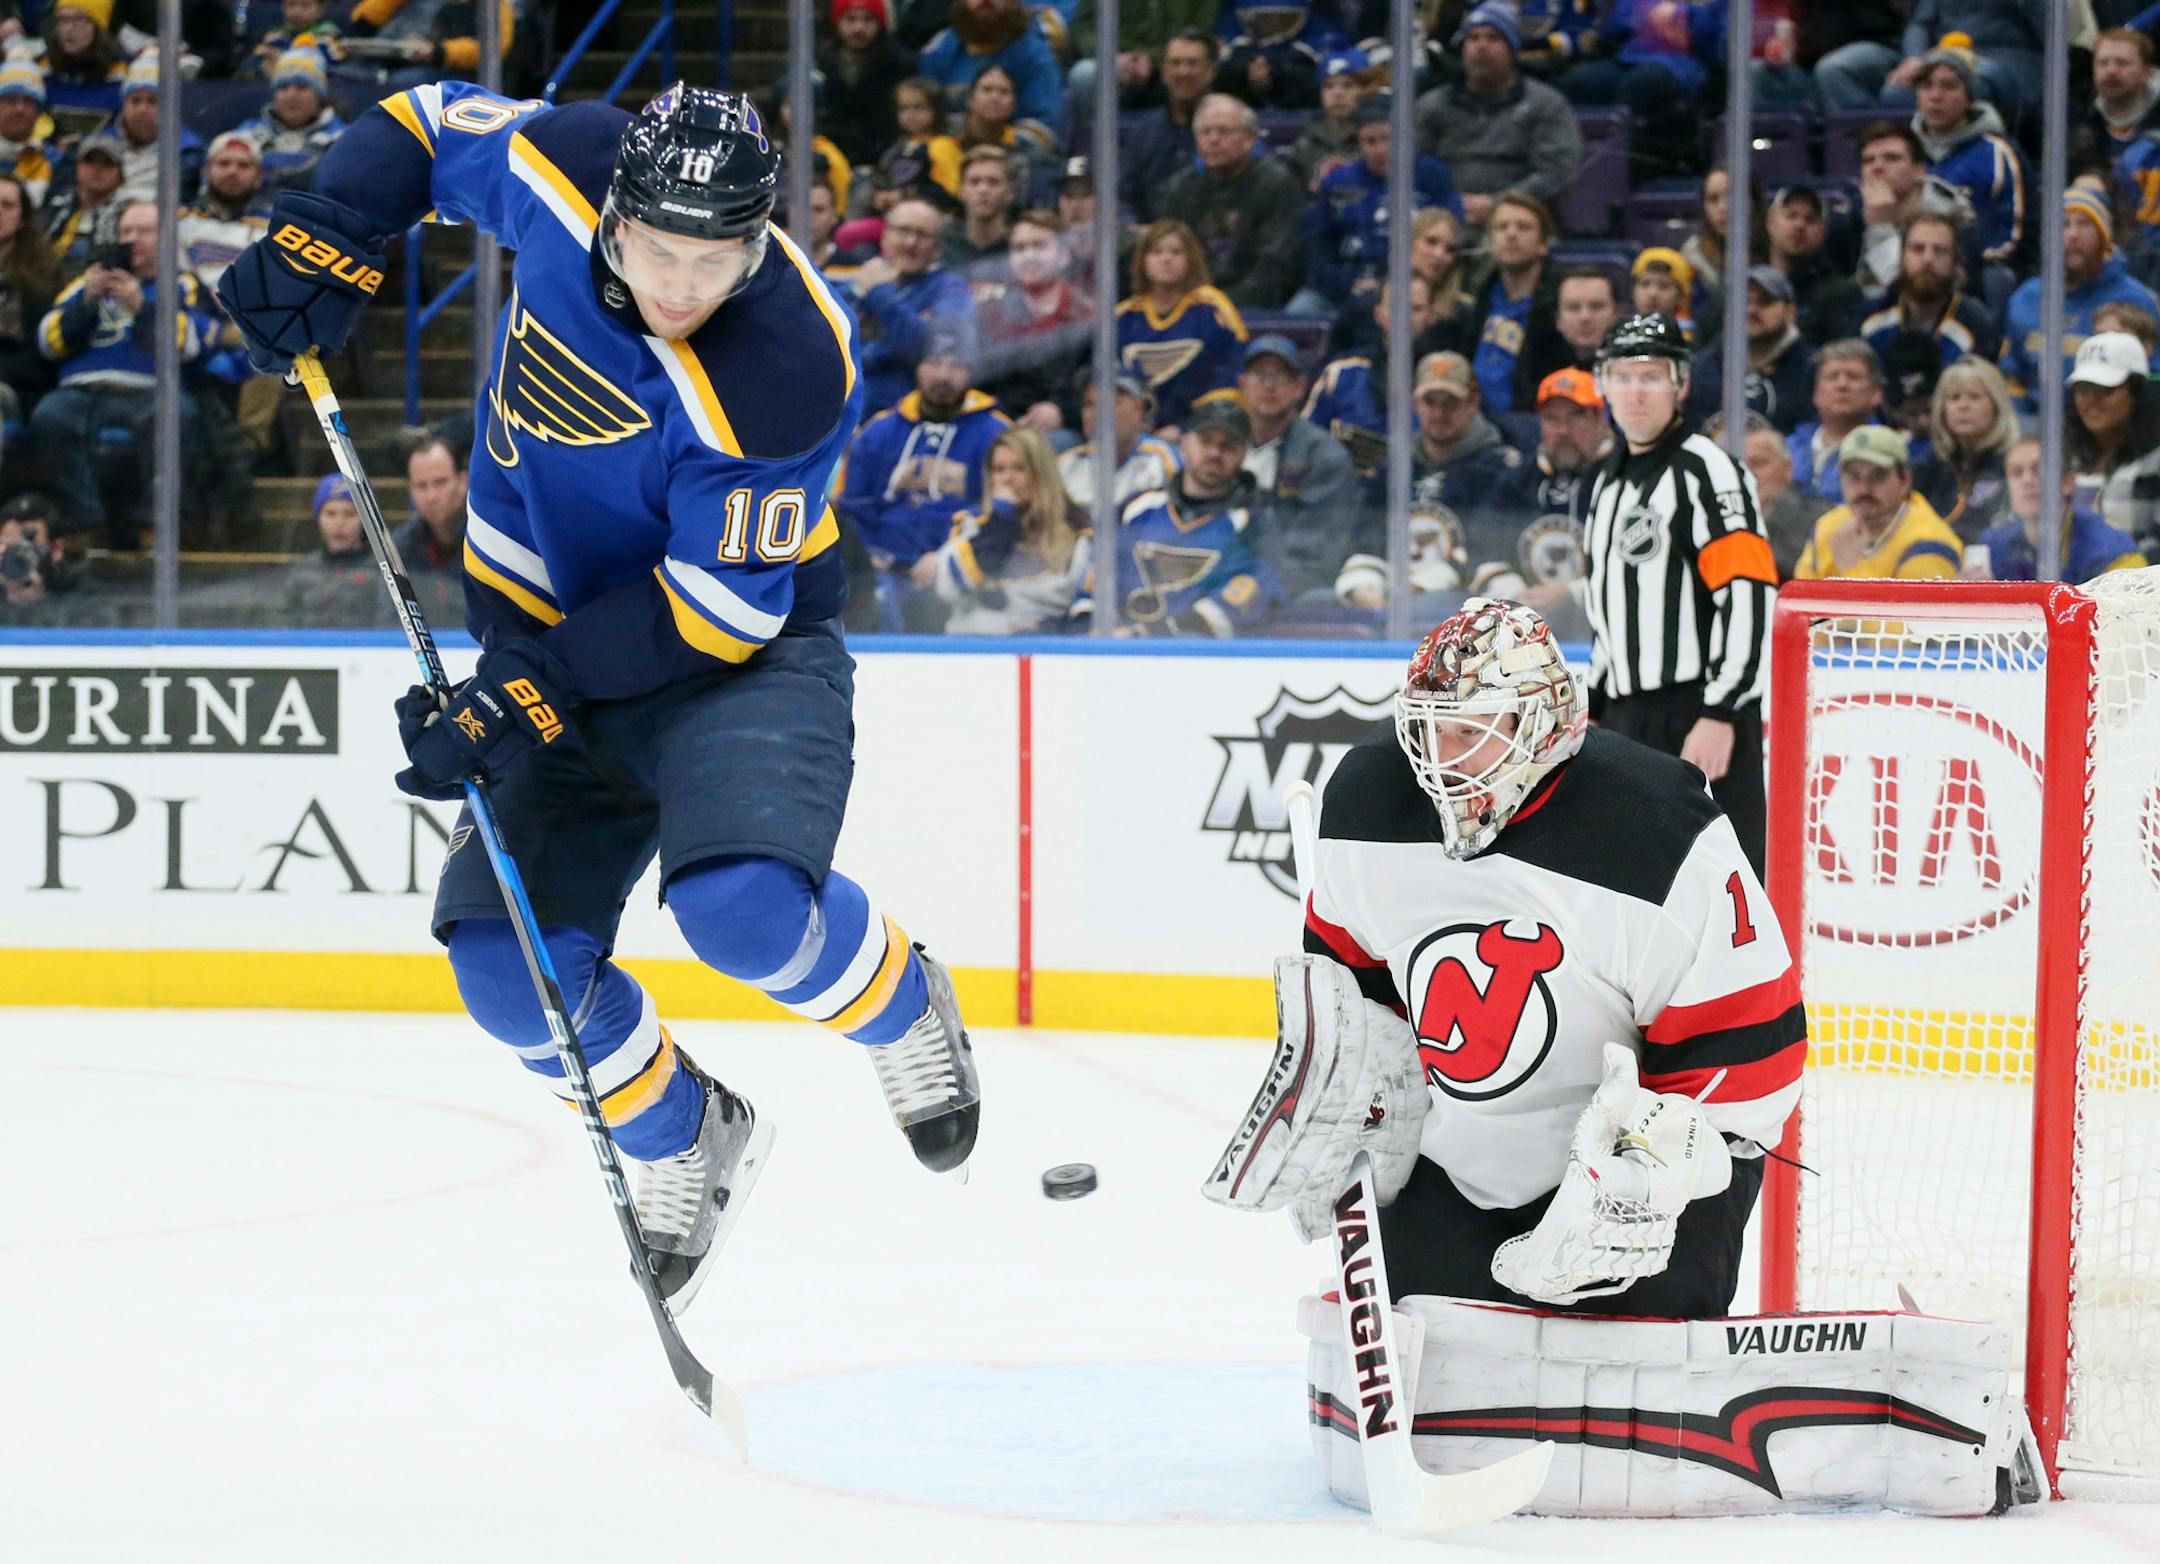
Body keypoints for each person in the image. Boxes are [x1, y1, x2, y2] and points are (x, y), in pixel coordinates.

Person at [214, 82, 984, 1310]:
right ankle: (680, 1130)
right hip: (547, 617)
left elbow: (714, 612)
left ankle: (901, 1004)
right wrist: (328, 231)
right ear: (613, 215)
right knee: (506, 971)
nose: (682, 285)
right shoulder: (566, 161)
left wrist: (524, 691)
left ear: (759, 239)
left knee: (739, 913)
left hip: (742, 649)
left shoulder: (788, 364)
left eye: (715, 256)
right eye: (657, 250)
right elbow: (419, 126)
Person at [1209, 594, 1799, 1317]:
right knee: (1429, 1355)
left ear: (1544, 724)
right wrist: (1345, 1100)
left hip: (1640, 1183)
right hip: (1460, 1167)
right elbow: (1357, 1004)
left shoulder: (1656, 830)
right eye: (1425, 733)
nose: (1439, 761)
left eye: (1468, 731)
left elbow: (1751, 1065)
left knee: (1626, 1366)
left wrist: (1647, 1173)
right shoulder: (1368, 804)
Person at [1580, 312, 1776, 873]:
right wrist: (1596, 700)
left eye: (1651, 375)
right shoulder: (1608, 480)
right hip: (1623, 717)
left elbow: (1749, 592)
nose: (1635, 391)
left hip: (1696, 710)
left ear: (1680, 384)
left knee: (1718, 882)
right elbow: (1607, 603)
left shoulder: (1707, 471)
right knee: (1630, 881)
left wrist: (1722, 710)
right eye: (1622, 375)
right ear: (1603, 384)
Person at [32, 196, 217, 547]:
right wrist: (87, 303)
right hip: (81, 391)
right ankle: (81, 526)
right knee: (49, 416)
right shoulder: (84, 285)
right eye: (126, 231)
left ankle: (157, 528)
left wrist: (141, 307)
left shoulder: (183, 285)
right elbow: (48, 342)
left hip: (151, 391)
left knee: (177, 416)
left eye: (145, 231)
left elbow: (192, 342)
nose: (133, 238)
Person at [1081, 397, 1277, 636]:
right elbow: (1097, 575)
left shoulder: (1254, 524)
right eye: (1205, 441)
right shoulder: (1136, 509)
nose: (1215, 452)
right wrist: (1086, 623)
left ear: (1243, 454)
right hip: (1117, 648)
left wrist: (1151, 634)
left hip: (1201, 659)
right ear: (1184, 444)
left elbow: (1244, 597)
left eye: (1228, 445)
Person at [1413, 4, 1583, 226]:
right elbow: (1411, 168)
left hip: (1518, 221)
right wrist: (1448, 204)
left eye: (1493, 38)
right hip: (1443, 222)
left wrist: (1500, 203)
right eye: (1473, 38)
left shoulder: (1546, 104)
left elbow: (1555, 172)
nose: (1481, 47)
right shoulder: (1433, 105)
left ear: (1512, 49)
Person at [914, 424, 1090, 633]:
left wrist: (1044, 629)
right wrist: (1000, 525)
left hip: (1047, 652)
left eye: (1019, 468)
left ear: (1042, 474)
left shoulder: (1079, 533)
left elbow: (1087, 611)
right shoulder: (971, 525)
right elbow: (951, 586)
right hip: (972, 650)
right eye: (999, 470)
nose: (1007, 479)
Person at [2001, 188, 2160, 415]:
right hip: (2035, 428)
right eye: (2064, 224)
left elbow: (2152, 382)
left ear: (2105, 237)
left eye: (2084, 223)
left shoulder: (2138, 301)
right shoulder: (2026, 298)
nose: (2072, 235)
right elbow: (2012, 375)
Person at [1238, 334, 1357, 603]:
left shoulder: (1326, 458)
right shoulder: (1223, 447)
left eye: (1280, 376)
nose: (1269, 385)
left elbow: (1315, 557)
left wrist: (1252, 590)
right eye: (1259, 375)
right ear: (1242, 384)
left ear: (1300, 387)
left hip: (1285, 592)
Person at [1160, 94, 1305, 311]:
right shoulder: (1181, 188)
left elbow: (1274, 265)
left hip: (1259, 302)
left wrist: (1221, 305)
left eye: (1223, 131)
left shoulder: (1278, 184)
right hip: (1194, 303)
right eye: (1205, 132)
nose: (1213, 139)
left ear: (1250, 139)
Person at [1114, 218, 1247, 432]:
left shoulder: (1212, 309)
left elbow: (1230, 374)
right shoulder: (1123, 317)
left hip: (1200, 431)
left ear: (1191, 259)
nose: (1166, 259)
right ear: (1142, 260)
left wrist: (1187, 429)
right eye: (1157, 252)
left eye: (1176, 252)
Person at [846, 194, 975, 414]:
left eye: (922, 235)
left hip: (906, 414)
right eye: (903, 231)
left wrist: (880, 292)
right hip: (846, 409)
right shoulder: (859, 282)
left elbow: (923, 347)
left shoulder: (952, 289)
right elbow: (831, 343)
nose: (910, 242)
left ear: (938, 246)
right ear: (885, 237)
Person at [1907, 37, 2024, 269]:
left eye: (1948, 86)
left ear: (1970, 97)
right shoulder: (1904, 152)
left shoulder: (1997, 152)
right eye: (1926, 86)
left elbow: (2014, 235)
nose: (1935, 96)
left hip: (1978, 273)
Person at [1793, 424, 1962, 582]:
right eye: (1853, 476)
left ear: (1905, 480)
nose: (1863, 489)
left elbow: (1910, 614)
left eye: (1878, 476)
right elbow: (1800, 606)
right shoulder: (1827, 526)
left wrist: (1850, 570)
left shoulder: (1930, 543)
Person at [1971, 435, 2147, 583]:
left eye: (2039, 470)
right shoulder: (1994, 545)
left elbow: (2130, 616)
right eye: (2017, 473)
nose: (2027, 480)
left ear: (2068, 483)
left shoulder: (2112, 550)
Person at [973, 207, 1090, 427]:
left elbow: (1098, 385)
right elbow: (979, 386)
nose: (1029, 256)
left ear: (1063, 255)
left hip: (1065, 431)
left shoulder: (1088, 315)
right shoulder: (989, 316)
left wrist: (1060, 410)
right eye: (1019, 248)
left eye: (1039, 246)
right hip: (1001, 427)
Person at [1857, 211, 1998, 376]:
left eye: (1940, 251)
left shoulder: (1977, 324)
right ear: (1901, 257)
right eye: (1918, 249)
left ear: (1955, 262)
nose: (1928, 258)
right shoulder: (1869, 316)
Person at [1463, 192, 1565, 416]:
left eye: (1523, 227)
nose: (1511, 234)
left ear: (1544, 244)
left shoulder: (1560, 307)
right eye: (1502, 227)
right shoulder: (1480, 300)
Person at [1686, 266, 1817, 434]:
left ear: (1790, 312)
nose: (1751, 310)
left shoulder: (1812, 368)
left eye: (1765, 302)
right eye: (1743, 302)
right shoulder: (1702, 368)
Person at [916, 0, 1061, 145]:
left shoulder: (1035, 55)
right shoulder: (940, 49)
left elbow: (1044, 129)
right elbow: (922, 117)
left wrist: (997, 150)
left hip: (1011, 156)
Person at [1852, 120, 1972, 294]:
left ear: (1919, 171)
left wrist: (1881, 228)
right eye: (1868, 161)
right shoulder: (1851, 215)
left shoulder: (1953, 215)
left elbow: (1912, 295)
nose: (1877, 167)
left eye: (1892, 158)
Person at [2067, 332, 2160, 557]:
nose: (2091, 401)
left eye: (2105, 390)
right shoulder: (2064, 459)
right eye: (2083, 389)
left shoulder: (2155, 462)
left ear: (2136, 392)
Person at [1709, 408, 1824, 579]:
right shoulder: (1701, 523)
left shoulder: (1820, 524)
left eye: (1758, 463)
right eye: (1734, 465)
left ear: (1787, 468)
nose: (1746, 473)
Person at [1912, 356, 2018, 538]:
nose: (1963, 406)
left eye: (1974, 397)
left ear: (1997, 405)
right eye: (1954, 398)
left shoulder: (2015, 465)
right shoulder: (1927, 468)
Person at [1118, 27, 1216, 225]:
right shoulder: (1145, 132)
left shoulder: (1229, 128)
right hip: (1150, 244)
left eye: (1192, 63)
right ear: (1163, 72)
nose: (1183, 71)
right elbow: (1122, 197)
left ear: (1210, 71)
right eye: (1176, 63)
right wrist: (1136, 230)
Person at [1057, 372, 1180, 512]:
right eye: (1089, 404)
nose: (1096, 413)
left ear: (1138, 411)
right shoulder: (1067, 464)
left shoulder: (1162, 460)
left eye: (1110, 403)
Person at [820, 0, 918, 171]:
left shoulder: (900, 64)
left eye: (868, 20)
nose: (859, 28)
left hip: (882, 157)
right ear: (837, 22)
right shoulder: (817, 61)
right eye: (851, 19)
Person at [1788, 339, 1888, 507]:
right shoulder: (1789, 447)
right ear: (1816, 392)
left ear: (1876, 393)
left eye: (1853, 377)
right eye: (1832, 377)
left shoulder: (1887, 452)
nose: (1842, 385)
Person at [234, 46, 347, 193]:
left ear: (320, 96)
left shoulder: (342, 138)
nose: (291, 95)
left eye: (301, 87)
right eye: (283, 87)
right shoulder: (246, 133)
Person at [1763, 185, 1864, 345]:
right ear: (1770, 222)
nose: (1799, 225)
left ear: (1823, 232)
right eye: (1791, 215)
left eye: (1810, 219)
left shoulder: (1841, 293)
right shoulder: (1745, 285)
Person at [391, 428, 470, 630]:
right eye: (421, 486)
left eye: (440, 482)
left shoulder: (488, 541)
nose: (431, 496)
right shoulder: (399, 548)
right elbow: (389, 622)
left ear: (462, 481)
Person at [282, 472, 384, 627]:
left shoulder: (383, 572)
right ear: (318, 518)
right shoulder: (303, 570)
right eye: (330, 514)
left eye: (349, 514)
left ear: (365, 520)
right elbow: (286, 624)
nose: (339, 523)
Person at [108, 51, 202, 206]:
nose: (142, 109)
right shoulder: (103, 142)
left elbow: (182, 200)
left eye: (152, 101)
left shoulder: (188, 150)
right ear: (123, 105)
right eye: (135, 101)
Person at [0, 171, 56, 424]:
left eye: (7, 205)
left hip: (18, 385)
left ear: (22, 219)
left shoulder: (43, 278)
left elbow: (42, 355)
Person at [41, 133, 124, 283]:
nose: (97, 170)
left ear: (120, 174)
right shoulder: (53, 208)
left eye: (107, 164)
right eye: (90, 161)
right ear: (77, 167)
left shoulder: (125, 217)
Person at [871, 76, 962, 211]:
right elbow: (881, 180)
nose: (910, 114)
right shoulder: (897, 147)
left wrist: (907, 194)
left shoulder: (942, 146)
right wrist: (880, 197)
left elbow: (950, 191)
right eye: (904, 108)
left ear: (936, 110)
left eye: (919, 107)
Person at [1286, 48, 1369, 191]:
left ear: (1363, 90)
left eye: (1347, 85)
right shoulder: (1305, 145)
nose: (1338, 94)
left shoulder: (1375, 138)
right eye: (1329, 86)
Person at [941, 144, 1014, 271]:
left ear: (1010, 192)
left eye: (993, 182)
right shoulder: (940, 247)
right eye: (974, 182)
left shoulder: (1021, 247)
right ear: (961, 191)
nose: (983, 190)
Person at [0, 57, 57, 208]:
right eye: (10, 100)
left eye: (28, 102)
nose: (20, 109)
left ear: (39, 112)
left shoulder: (54, 161)